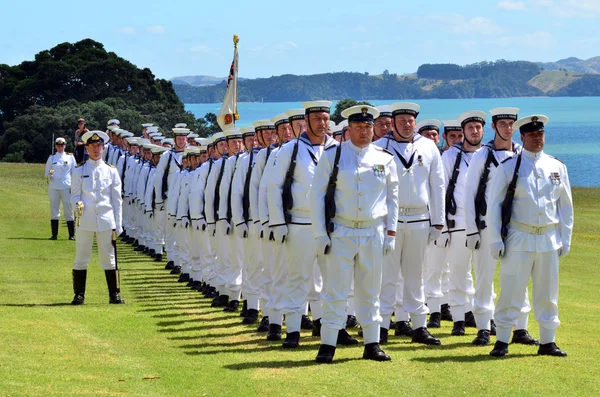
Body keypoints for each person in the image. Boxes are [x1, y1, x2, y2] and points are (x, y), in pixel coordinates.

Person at [310, 105, 399, 363]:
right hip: (342, 231)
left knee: (370, 290)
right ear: (348, 129)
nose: (364, 132)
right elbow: (316, 196)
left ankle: (372, 343)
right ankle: (328, 343)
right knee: (336, 290)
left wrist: (391, 232)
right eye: (358, 127)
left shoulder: (384, 158)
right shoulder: (333, 156)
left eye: (368, 127)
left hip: (373, 232)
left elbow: (392, 198)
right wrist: (320, 233)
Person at [489, 115, 573, 358]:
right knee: (511, 290)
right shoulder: (509, 166)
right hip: (519, 236)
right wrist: (495, 238)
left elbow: (565, 206)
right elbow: (494, 205)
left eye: (541, 134)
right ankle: (502, 340)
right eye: (532, 135)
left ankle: (548, 342)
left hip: (547, 238)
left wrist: (565, 237)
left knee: (547, 293)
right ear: (522, 137)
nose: (538, 138)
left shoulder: (557, 167)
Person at [463, 107, 537, 346]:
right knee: (484, 278)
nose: (508, 128)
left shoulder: (522, 153)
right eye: (503, 124)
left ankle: (520, 328)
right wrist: (471, 230)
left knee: (519, 278)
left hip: (515, 229)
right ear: (493, 127)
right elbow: (469, 194)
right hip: (486, 227)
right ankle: (484, 327)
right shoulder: (482, 156)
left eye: (510, 124)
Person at [374, 104, 445, 346]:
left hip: (419, 219)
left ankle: (419, 326)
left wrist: (438, 220)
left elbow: (438, 185)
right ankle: (382, 325)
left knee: (416, 276)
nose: (406, 124)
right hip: (389, 221)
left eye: (410, 120)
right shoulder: (379, 147)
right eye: (401, 119)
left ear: (416, 122)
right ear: (392, 122)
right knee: (387, 276)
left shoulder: (428, 146)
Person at [440, 111, 486, 336]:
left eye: (478, 127)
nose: (474, 131)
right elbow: (442, 191)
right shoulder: (450, 156)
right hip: (457, 222)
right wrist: (441, 225)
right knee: (458, 272)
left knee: (484, 275)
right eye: (470, 128)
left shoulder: (489, 155)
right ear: (464, 131)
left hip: (484, 224)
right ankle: (459, 318)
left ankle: (485, 319)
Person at [70, 130, 124, 305]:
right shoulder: (79, 170)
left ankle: (114, 294)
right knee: (81, 257)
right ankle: (79, 295)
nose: (96, 149)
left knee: (109, 258)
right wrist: (77, 205)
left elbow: (117, 200)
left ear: (103, 148)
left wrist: (118, 223)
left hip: (106, 219)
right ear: (86, 148)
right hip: (84, 219)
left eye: (99, 146)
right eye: (92, 146)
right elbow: (74, 195)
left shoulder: (111, 171)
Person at [45, 137, 77, 240]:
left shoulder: (70, 157)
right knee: (54, 209)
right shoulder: (52, 158)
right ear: (55, 146)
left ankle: (71, 235)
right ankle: (54, 234)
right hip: (54, 186)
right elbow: (46, 172)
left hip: (66, 186)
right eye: (58, 146)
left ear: (65, 146)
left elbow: (75, 173)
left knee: (68, 210)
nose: (60, 147)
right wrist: (50, 174)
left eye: (62, 145)